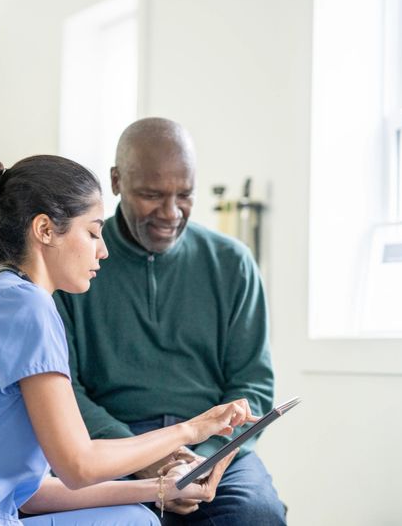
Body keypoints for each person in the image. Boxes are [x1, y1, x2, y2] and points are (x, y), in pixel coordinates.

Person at [0, 155, 257, 526]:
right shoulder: (26, 308)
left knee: (136, 515)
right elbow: (78, 464)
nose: (103, 251)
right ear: (45, 230)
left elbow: (30, 495)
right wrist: (193, 429)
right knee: (134, 523)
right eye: (93, 232)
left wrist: (158, 490)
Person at [54, 119, 287, 525]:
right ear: (116, 181)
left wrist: (205, 453)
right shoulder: (73, 266)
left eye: (185, 194)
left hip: (213, 443)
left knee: (256, 515)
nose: (171, 212)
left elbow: (254, 385)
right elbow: (62, 389)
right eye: (151, 195)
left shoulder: (233, 264)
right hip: (109, 442)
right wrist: (140, 453)